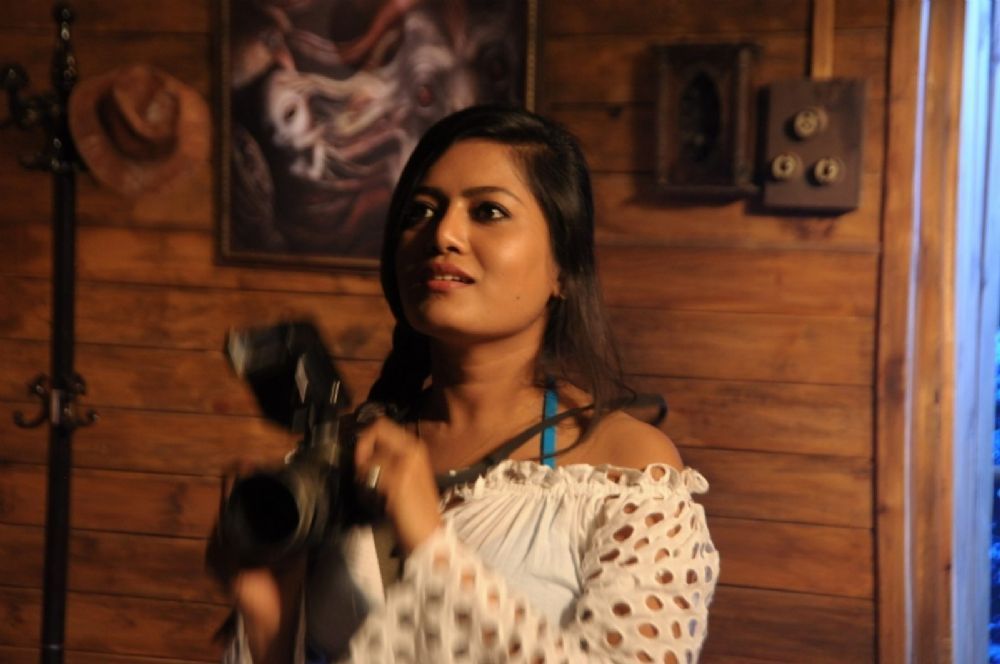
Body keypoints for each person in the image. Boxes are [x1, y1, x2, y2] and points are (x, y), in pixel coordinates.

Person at [220, 105, 719, 664]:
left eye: (488, 211)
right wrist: (268, 624)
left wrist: (429, 545)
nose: (443, 233)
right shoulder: (345, 458)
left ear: (563, 269)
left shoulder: (625, 470)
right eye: (420, 211)